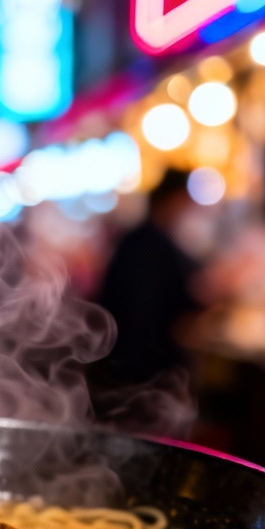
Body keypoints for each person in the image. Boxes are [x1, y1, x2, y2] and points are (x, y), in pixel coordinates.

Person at [94, 167, 201, 390]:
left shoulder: (138, 240)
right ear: (172, 199)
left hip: (124, 359)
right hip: (140, 365)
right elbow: (147, 309)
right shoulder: (151, 246)